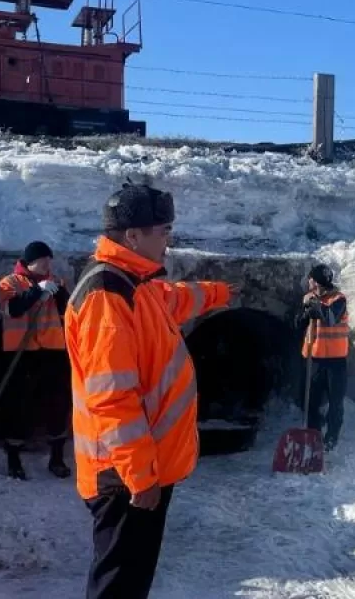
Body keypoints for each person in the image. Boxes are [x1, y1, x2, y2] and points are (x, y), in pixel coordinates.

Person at [65, 180, 234, 599]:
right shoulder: (108, 295)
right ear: (133, 235)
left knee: (132, 580)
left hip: (141, 466)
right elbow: (111, 396)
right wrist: (139, 476)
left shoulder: (137, 284)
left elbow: (173, 301)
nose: (168, 242)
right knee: (118, 586)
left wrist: (219, 294)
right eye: (163, 232)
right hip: (122, 474)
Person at [0, 240, 73, 480]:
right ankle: (13, 457)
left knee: (57, 401)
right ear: (29, 262)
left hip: (52, 351)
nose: (48, 264)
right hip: (21, 353)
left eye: (49, 260)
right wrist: (37, 291)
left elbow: (68, 310)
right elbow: (13, 309)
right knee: (19, 404)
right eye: (43, 260)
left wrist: (57, 295)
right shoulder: (9, 283)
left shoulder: (57, 282)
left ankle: (57, 457)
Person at [296, 264, 350, 451]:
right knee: (310, 401)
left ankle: (331, 438)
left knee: (335, 402)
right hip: (315, 360)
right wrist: (305, 310)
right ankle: (313, 437)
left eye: (311, 278)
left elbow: (331, 317)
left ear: (316, 280)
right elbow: (298, 324)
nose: (308, 281)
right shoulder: (308, 299)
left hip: (335, 362)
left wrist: (316, 306)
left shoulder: (338, 299)